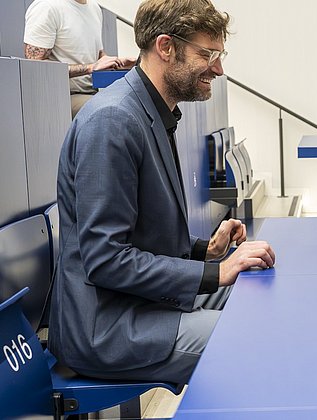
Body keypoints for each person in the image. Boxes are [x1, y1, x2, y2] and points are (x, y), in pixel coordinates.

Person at [48, 0, 275, 385]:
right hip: (108, 326)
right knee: (255, 342)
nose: (219, 69)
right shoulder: (113, 121)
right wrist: (214, 273)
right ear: (166, 47)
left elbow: (138, 235)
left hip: (141, 304)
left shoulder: (150, 111)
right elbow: (105, 260)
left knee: (262, 297)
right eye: (207, 55)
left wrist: (207, 251)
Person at [24, 0, 136, 117]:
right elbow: (35, 67)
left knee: (137, 101)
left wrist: (115, 63)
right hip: (62, 96)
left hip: (92, 91)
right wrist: (89, 68)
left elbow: (98, 55)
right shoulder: (47, 7)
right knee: (117, 112)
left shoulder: (94, 8)